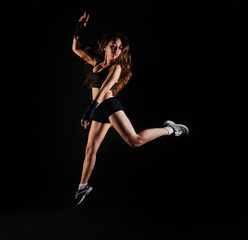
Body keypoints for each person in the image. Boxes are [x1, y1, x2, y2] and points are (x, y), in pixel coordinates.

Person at [72, 12, 189, 206]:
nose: (117, 50)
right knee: (90, 150)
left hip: (108, 106)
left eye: (120, 48)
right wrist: (78, 30)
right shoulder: (97, 62)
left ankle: (171, 129)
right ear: (105, 46)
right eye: (113, 46)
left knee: (135, 141)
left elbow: (103, 90)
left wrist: (88, 112)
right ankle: (83, 186)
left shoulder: (116, 68)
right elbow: (76, 49)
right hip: (98, 110)